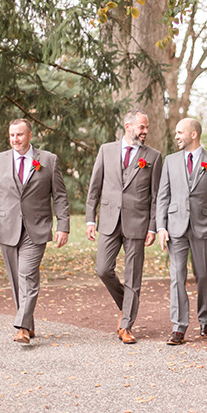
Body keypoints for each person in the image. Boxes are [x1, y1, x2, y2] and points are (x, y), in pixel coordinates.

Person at [0, 119, 70, 344]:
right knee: (17, 281)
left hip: (36, 228)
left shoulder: (48, 160)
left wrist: (63, 226)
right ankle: (29, 324)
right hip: (7, 228)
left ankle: (22, 328)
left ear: (30, 135)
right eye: (12, 135)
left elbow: (59, 196)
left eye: (19, 135)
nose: (15, 139)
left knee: (27, 275)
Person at [86, 109, 162, 344]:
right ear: (128, 126)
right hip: (108, 221)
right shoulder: (106, 150)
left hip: (138, 223)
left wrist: (152, 227)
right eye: (141, 127)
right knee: (103, 269)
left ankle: (126, 324)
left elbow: (157, 196)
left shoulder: (153, 157)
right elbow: (94, 187)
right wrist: (90, 219)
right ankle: (127, 304)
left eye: (146, 128)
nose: (145, 131)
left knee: (133, 276)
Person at [156, 118, 207, 345]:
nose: (176, 136)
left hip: (203, 227)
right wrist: (161, 226)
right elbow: (163, 196)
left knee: (203, 277)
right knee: (176, 277)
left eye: (180, 132)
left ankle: (205, 319)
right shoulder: (170, 161)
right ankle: (179, 327)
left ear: (194, 134)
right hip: (175, 227)